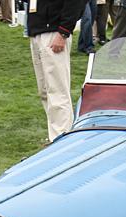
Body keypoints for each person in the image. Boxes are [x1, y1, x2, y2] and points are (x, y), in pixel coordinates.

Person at [29, 0, 84, 141]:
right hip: (38, 30)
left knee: (57, 89)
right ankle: (56, 135)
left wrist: (64, 31)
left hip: (54, 32)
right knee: (45, 90)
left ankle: (62, 137)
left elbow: (76, 3)